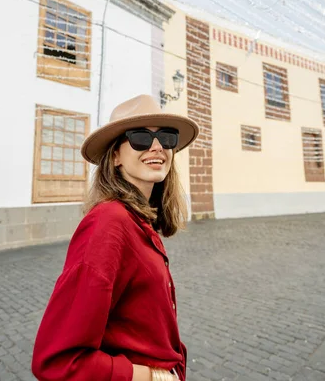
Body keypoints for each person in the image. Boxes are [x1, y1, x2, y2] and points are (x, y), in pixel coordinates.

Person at [31, 94, 199, 381]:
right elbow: (58, 360)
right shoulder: (108, 223)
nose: (157, 147)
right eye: (140, 138)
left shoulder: (139, 221)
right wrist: (151, 377)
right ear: (116, 155)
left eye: (167, 137)